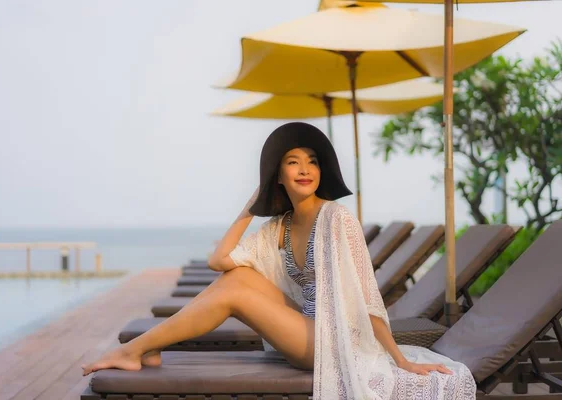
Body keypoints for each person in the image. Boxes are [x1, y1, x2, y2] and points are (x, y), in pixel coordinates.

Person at [81, 122, 476, 399]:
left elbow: (369, 301)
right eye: (292, 162)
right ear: (279, 176)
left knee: (234, 292)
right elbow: (220, 261)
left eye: (312, 161)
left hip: (335, 343)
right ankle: (144, 349)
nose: (305, 169)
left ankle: (136, 350)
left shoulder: (338, 220)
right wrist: (251, 206)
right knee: (236, 281)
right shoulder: (280, 228)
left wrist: (400, 361)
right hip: (305, 328)